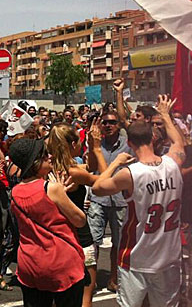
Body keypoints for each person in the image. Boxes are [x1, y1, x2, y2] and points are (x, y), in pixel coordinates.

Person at [92, 95, 186, 307]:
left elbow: (98, 188)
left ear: (129, 143)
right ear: (153, 139)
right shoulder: (173, 163)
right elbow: (178, 142)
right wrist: (164, 114)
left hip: (137, 258)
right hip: (169, 257)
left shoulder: (130, 173)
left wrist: (115, 160)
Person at [9, 137, 86, 306]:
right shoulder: (52, 188)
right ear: (34, 163)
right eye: (44, 155)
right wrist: (62, 193)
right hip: (60, 262)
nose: (50, 156)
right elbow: (80, 220)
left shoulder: (15, 192)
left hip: (30, 262)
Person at [47, 121, 110, 307]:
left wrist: (90, 147)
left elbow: (89, 167)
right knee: (84, 299)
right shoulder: (73, 172)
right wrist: (98, 149)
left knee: (57, 299)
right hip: (80, 238)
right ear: (73, 145)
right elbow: (104, 183)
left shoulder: (47, 169)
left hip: (55, 239)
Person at [86, 109, 133, 292]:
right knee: (93, 242)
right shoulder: (97, 143)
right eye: (104, 122)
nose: (107, 125)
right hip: (99, 200)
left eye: (112, 122)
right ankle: (91, 281)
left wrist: (120, 94)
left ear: (118, 125)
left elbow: (125, 117)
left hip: (121, 201)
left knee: (118, 243)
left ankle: (114, 278)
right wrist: (92, 145)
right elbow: (91, 166)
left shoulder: (127, 144)